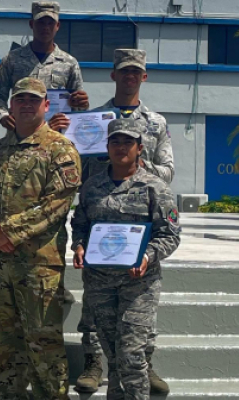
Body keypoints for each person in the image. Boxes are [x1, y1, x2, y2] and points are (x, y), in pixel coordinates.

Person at [58, 48, 175, 395]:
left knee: (134, 343)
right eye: (124, 71)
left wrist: (135, 166)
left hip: (138, 228)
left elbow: (167, 173)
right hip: (100, 225)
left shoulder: (156, 123)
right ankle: (96, 363)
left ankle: (141, 364)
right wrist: (63, 130)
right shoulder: (92, 119)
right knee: (100, 320)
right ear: (114, 75)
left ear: (143, 76)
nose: (129, 77)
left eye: (135, 72)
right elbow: (74, 168)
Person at [0, 78, 82, 400]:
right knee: (3, 342)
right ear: (11, 105)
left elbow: (58, 203)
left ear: (46, 106)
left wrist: (8, 231)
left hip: (38, 267)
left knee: (43, 343)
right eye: (20, 99)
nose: (26, 105)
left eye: (34, 100)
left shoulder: (60, 148)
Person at [72, 118, 181, 400]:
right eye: (115, 142)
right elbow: (80, 223)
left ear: (140, 148)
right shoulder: (92, 186)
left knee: (132, 356)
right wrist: (79, 246)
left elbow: (170, 235)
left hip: (139, 284)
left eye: (128, 142)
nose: (121, 147)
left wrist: (147, 255)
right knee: (113, 357)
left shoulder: (155, 187)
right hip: (100, 282)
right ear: (107, 147)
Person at [0, 1, 88, 128]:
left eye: (50, 23)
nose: (45, 27)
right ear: (31, 24)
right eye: (41, 22)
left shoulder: (69, 63)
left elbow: (78, 105)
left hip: (56, 136)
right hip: (20, 134)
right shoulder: (12, 59)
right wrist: (2, 116)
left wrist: (82, 103)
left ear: (58, 25)